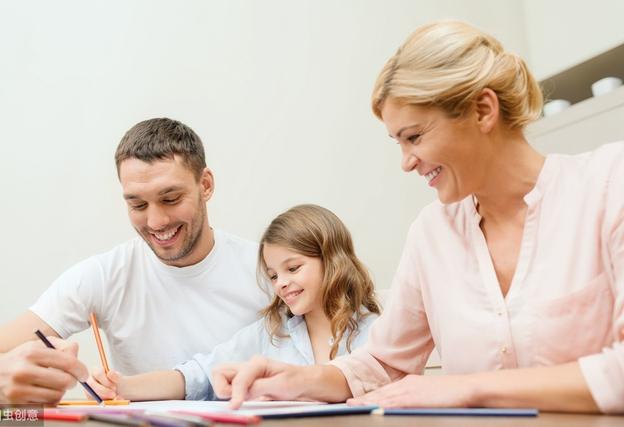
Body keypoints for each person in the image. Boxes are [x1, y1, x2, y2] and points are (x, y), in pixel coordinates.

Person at [211, 21, 624, 414]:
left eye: (414, 136)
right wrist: (296, 379)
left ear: (483, 110)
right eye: (398, 142)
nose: (407, 162)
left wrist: (466, 388)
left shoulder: (608, 187)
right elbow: (382, 364)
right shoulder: (432, 232)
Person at [0, 118, 268, 405]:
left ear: (205, 185)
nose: (156, 221)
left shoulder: (270, 272)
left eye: (170, 199)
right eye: (138, 205)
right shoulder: (105, 275)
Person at [87, 204, 380, 401]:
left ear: (332, 260)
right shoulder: (272, 333)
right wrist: (122, 386)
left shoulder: (378, 332)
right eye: (273, 275)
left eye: (293, 268)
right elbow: (198, 375)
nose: (281, 283)